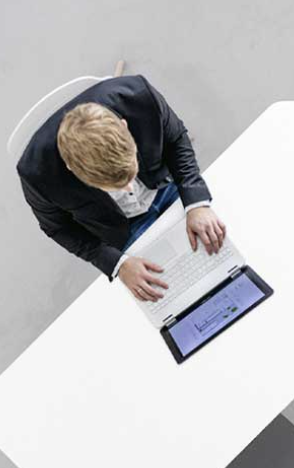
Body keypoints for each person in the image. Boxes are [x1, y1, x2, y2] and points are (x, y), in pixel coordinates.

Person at [16, 75, 227, 301]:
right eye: (113, 185)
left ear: (124, 127)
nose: (128, 188)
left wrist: (196, 202)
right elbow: (58, 228)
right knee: (174, 297)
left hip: (164, 185)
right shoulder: (36, 175)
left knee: (224, 252)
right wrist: (118, 264)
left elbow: (175, 139)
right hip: (119, 227)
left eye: (130, 173)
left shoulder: (141, 96)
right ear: (71, 169)